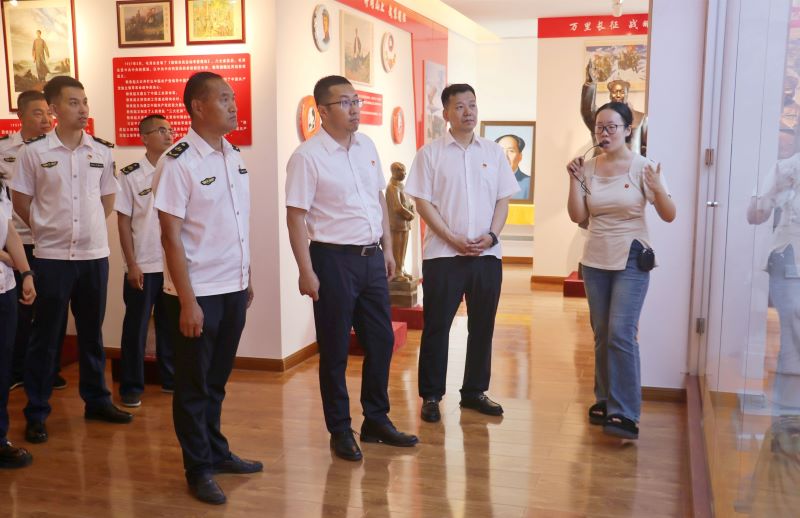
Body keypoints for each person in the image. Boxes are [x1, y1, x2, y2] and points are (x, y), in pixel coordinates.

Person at [286, 75, 418, 462]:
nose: (354, 109)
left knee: (380, 340)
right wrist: (306, 270)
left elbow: (378, 201)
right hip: (332, 260)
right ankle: (340, 429)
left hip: (371, 257)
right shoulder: (307, 157)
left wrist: (388, 250)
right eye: (344, 102)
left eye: (356, 101)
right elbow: (295, 217)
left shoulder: (366, 146)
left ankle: (376, 419)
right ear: (323, 111)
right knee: (335, 348)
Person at [153, 72, 261, 505]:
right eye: (223, 98)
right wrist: (188, 301)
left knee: (216, 380)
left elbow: (235, 224)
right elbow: (170, 237)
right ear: (198, 107)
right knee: (193, 386)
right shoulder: (178, 162)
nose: (233, 105)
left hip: (233, 287)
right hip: (196, 294)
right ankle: (197, 468)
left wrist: (247, 275)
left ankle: (216, 452)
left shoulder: (233, 155)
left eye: (233, 98)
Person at [10, 76, 133, 445]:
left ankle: (97, 401)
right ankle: (37, 412)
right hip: (51, 258)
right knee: (46, 337)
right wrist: (47, 229)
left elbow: (107, 198)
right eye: (74, 102)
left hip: (94, 256)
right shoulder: (34, 153)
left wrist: (89, 229)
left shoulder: (101, 151)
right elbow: (21, 201)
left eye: (85, 102)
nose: (83, 109)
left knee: (92, 333)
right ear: (54, 109)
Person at [405, 83, 519, 424]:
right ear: (446, 113)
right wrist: (451, 238)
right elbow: (422, 203)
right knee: (436, 326)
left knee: (483, 326)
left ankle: (474, 391)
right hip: (443, 256)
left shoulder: (493, 153)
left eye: (472, 104)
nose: (468, 111)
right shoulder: (430, 154)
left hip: (487, 256)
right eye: (460, 106)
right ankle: (431, 395)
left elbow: (503, 200)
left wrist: (492, 235)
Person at [566, 101, 676, 440]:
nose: (605, 133)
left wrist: (658, 188)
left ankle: (626, 412)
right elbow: (578, 216)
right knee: (602, 333)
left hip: (631, 256)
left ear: (628, 130)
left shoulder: (644, 167)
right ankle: (605, 399)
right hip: (595, 258)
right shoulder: (587, 168)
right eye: (600, 127)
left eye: (612, 126)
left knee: (620, 333)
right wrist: (573, 180)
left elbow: (669, 214)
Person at [0, 91, 64, 393]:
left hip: (48, 240)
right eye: (38, 113)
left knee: (52, 306)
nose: (46, 119)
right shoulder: (4, 148)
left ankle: (48, 369)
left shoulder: (57, 149)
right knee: (21, 309)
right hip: (16, 239)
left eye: (48, 113)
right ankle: (18, 369)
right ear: (21, 115)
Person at [115, 114, 176, 408]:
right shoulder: (130, 174)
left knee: (170, 325)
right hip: (143, 264)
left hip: (171, 265)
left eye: (170, 130)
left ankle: (171, 378)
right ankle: (131, 386)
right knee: (136, 327)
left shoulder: (177, 168)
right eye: (161, 130)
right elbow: (123, 222)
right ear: (144, 138)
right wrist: (132, 264)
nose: (168, 135)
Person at [747, 125, 800, 414]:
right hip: (789, 257)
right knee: (793, 335)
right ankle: (786, 416)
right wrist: (776, 190)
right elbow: (754, 215)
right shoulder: (785, 168)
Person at [0, 167, 36, 469]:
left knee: (3, 365)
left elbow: (8, 229)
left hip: (5, 288)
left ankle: (0, 439)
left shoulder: (2, 183)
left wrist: (25, 272)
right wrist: (4, 257)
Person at [581, 63, 648, 156]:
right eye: (614, 92)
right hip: (602, 163)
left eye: (622, 92)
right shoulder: (601, 116)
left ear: (627, 94)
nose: (618, 95)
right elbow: (587, 110)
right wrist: (590, 83)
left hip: (632, 164)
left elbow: (648, 145)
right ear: (610, 95)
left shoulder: (641, 118)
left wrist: (641, 160)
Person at [385, 162, 415, 281]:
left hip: (404, 223)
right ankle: (396, 272)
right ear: (394, 172)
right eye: (402, 171)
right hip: (396, 224)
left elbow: (405, 202)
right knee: (396, 248)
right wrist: (409, 214)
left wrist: (411, 208)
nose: (404, 174)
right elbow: (397, 207)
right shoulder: (392, 187)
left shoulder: (400, 185)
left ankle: (401, 269)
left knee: (403, 248)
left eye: (404, 171)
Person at [495, 134, 530, 201]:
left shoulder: (529, 184)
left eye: (511, 151)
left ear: (520, 156)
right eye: (500, 150)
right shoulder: (485, 182)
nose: (505, 156)